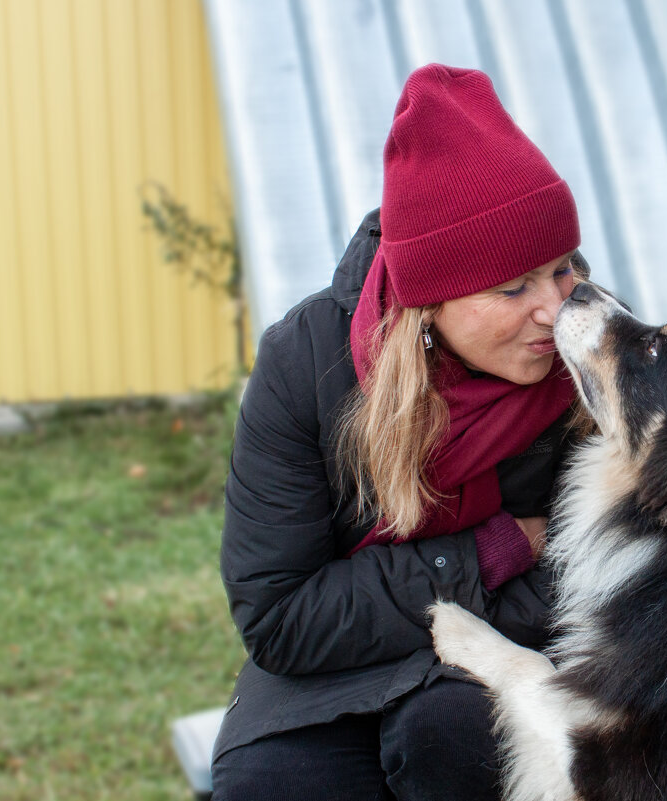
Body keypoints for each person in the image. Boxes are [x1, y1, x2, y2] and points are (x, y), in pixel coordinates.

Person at [210, 64, 588, 801]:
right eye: (513, 287)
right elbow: (282, 613)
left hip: (515, 655)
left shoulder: (598, 354)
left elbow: (604, 582)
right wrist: (499, 547)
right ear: (428, 307)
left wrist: (401, 599)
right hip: (328, 678)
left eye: (563, 268)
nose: (555, 310)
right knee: (271, 782)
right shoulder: (306, 364)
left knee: (454, 734)